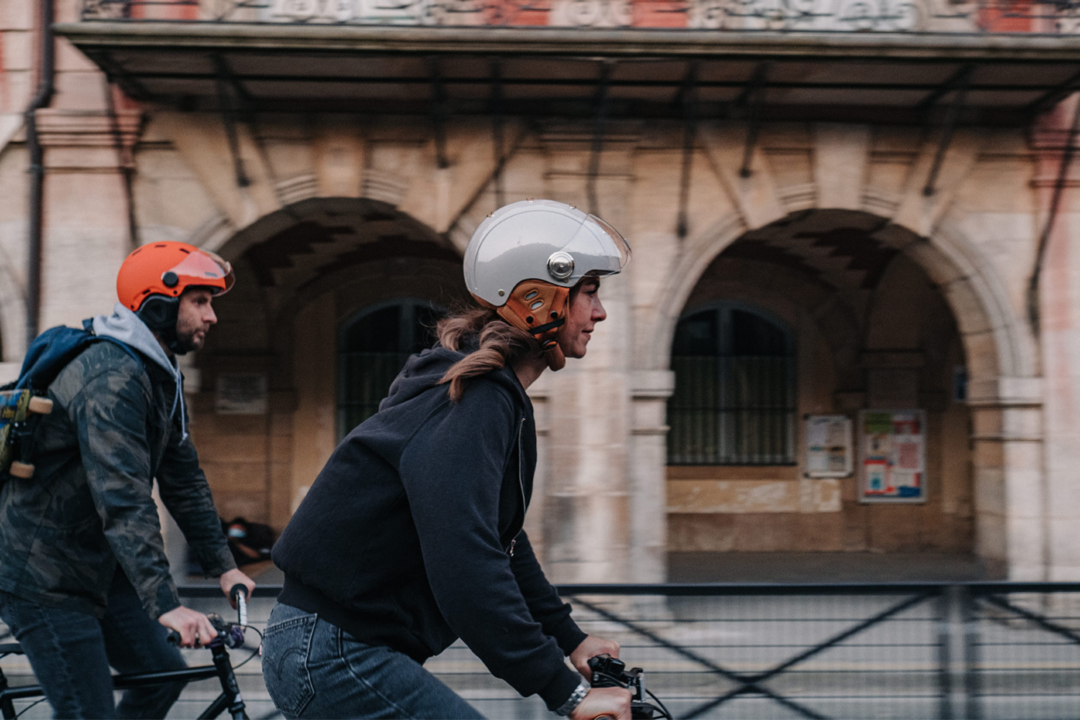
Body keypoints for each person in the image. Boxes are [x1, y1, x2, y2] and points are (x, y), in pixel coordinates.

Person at [262, 199, 634, 720]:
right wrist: (565, 692)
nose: (599, 312)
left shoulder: (480, 391)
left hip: (330, 646)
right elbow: (466, 562)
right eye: (588, 292)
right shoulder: (474, 398)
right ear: (539, 296)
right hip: (333, 652)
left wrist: (569, 638)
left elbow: (498, 538)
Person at [0, 241, 256, 719]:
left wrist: (223, 565)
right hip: (44, 572)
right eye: (199, 302)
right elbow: (123, 497)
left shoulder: (159, 373)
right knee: (88, 712)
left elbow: (182, 477)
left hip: (98, 563)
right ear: (158, 304)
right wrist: (166, 604)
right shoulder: (111, 375)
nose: (211, 316)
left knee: (164, 676)